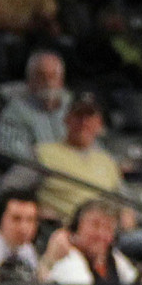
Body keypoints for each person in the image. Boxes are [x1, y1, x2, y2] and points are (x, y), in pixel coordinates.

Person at [32, 93, 126, 225]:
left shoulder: (108, 161)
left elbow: (124, 202)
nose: (83, 122)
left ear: (99, 124)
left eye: (90, 117)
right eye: (78, 116)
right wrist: (35, 210)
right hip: (62, 229)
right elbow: (11, 191)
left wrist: (126, 215)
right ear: (66, 119)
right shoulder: (43, 153)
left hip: (104, 233)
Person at [0, 50, 70, 160]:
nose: (48, 82)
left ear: (61, 81)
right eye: (41, 76)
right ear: (30, 81)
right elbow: (11, 152)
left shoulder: (72, 108)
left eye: (53, 76)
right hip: (38, 171)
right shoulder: (16, 111)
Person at [44, 198, 138, 285]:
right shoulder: (68, 259)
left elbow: (135, 281)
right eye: (95, 225)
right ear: (77, 227)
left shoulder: (114, 258)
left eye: (108, 227)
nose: (101, 234)